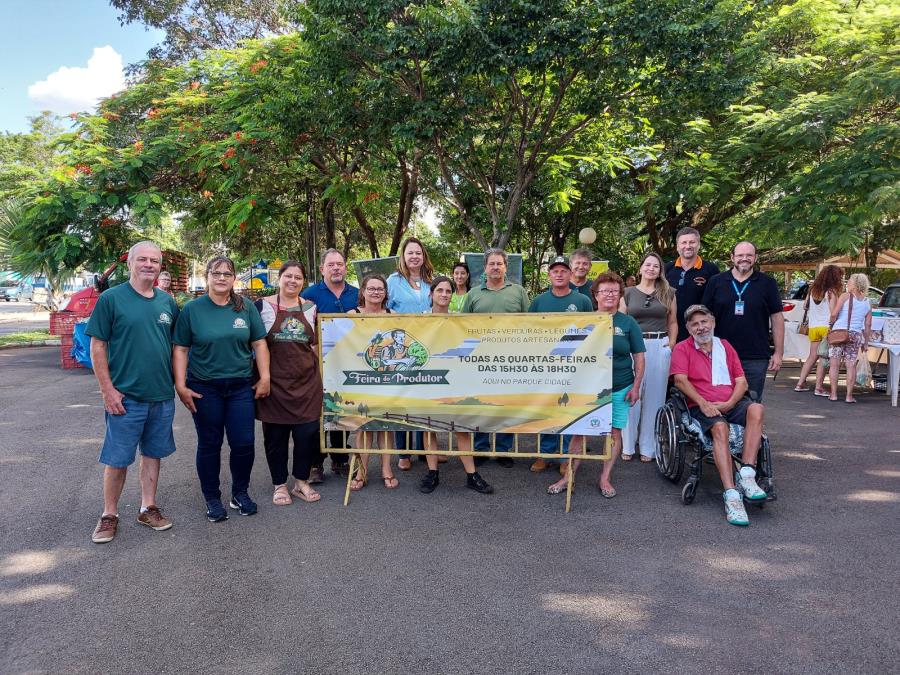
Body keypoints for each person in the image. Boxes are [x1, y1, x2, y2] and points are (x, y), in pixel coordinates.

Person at [87, 241, 179, 544]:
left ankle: (147, 507)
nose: (149, 265)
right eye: (143, 259)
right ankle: (109, 514)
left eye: (154, 260)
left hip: (161, 395)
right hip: (125, 396)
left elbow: (178, 348)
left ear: (160, 265)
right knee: (117, 458)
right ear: (130, 264)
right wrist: (107, 390)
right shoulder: (112, 299)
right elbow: (97, 346)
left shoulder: (167, 303)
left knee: (153, 454)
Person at [173, 256, 270, 522]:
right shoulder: (193, 310)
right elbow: (180, 348)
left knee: (244, 443)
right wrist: (180, 385)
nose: (222, 278)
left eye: (227, 274)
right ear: (208, 277)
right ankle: (212, 498)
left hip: (240, 387)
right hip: (205, 388)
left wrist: (265, 377)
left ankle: (240, 493)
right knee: (210, 444)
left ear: (234, 278)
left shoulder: (245, 307)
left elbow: (259, 344)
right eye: (216, 273)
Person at [547, 272, 645, 498]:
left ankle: (605, 477)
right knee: (580, 432)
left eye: (614, 291)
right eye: (604, 291)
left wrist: (636, 386)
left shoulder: (628, 322)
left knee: (614, 433)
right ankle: (567, 476)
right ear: (595, 295)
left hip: (621, 385)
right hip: (589, 388)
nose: (609, 295)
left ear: (620, 295)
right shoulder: (585, 321)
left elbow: (639, 356)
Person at [669, 304, 769, 526]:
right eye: (694, 323)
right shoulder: (683, 349)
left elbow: (741, 381)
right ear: (688, 327)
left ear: (712, 322)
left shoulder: (725, 346)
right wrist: (704, 404)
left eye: (704, 321)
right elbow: (680, 381)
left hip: (729, 401)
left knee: (756, 409)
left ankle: (747, 473)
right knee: (720, 427)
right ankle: (731, 494)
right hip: (700, 405)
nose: (700, 327)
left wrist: (729, 403)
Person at [254, 261, 324, 505]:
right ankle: (279, 484)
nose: (293, 281)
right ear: (279, 278)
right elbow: (254, 343)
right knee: (276, 438)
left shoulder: (311, 308)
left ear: (303, 282)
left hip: (307, 383)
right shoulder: (262, 306)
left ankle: (301, 482)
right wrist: (261, 378)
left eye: (298, 278)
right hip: (274, 383)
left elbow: (314, 344)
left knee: (307, 435)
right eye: (288, 276)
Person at [419, 276, 494, 495]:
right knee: (429, 426)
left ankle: (472, 475)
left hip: (455, 380)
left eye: (448, 291)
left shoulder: (460, 320)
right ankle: (432, 473)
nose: (444, 294)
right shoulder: (417, 319)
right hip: (428, 379)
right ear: (431, 293)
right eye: (440, 290)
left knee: (461, 427)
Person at [462, 248, 530, 467]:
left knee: (506, 404)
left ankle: (503, 449)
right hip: (480, 360)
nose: (495, 267)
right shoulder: (473, 294)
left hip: (510, 359)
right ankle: (480, 448)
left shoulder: (518, 292)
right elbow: (462, 326)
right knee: (481, 404)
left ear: (505, 267)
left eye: (499, 264)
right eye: (491, 264)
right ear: (485, 267)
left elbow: (529, 323)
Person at [527, 255, 592, 473]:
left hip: (572, 366)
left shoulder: (582, 301)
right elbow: (527, 332)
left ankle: (566, 457)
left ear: (570, 274)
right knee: (546, 408)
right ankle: (545, 454)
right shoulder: (538, 301)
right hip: (545, 366)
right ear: (549, 275)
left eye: (563, 271)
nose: (559, 274)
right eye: (555, 271)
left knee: (568, 410)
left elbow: (592, 331)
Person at [301, 248, 358, 478]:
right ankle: (315, 463)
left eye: (340, 264)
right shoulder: (309, 295)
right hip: (318, 364)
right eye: (331, 264)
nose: (336, 268)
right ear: (322, 268)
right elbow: (302, 328)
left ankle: (340, 458)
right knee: (317, 413)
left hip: (348, 364)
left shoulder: (356, 293)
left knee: (342, 409)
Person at [702, 241, 784, 399]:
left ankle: (752, 425)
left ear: (755, 258)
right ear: (732, 257)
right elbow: (705, 316)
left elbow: (777, 317)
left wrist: (778, 353)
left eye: (749, 255)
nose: (744, 258)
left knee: (751, 400)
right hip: (720, 353)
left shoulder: (767, 283)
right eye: (740, 255)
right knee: (720, 399)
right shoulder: (716, 282)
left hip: (755, 355)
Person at [620, 252, 677, 461]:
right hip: (632, 346)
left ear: (660, 270)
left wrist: (669, 346)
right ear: (641, 267)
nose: (651, 268)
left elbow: (673, 322)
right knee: (630, 394)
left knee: (654, 396)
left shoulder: (668, 293)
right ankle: (627, 445)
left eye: (656, 266)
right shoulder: (627, 293)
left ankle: (648, 448)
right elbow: (621, 320)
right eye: (648, 264)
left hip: (658, 344)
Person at [346, 274, 400, 490]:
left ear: (386, 293)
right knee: (364, 426)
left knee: (386, 425)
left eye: (380, 289)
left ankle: (387, 469)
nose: (376, 292)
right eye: (372, 288)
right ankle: (361, 471)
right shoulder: (351, 315)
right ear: (363, 291)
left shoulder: (393, 315)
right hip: (362, 377)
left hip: (387, 377)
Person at [387, 237, 434, 467]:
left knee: (424, 400)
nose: (414, 256)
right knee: (402, 400)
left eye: (418, 252)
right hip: (401, 348)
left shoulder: (430, 281)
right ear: (403, 257)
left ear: (423, 256)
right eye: (410, 253)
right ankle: (404, 453)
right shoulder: (393, 281)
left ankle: (424, 449)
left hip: (426, 348)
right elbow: (385, 309)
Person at [794, 265, 843, 395]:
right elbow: (833, 313)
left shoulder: (812, 290)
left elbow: (805, 306)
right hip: (826, 328)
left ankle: (800, 383)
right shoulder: (831, 292)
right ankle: (819, 387)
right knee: (823, 357)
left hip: (813, 327)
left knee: (811, 356)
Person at [665, 227, 720, 341]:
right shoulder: (667, 269)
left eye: (692, 242)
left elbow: (716, 302)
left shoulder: (711, 270)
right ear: (677, 246)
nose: (688, 246)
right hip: (670, 331)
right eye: (684, 242)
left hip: (700, 332)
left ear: (698, 245)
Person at [828, 273, 873, 403]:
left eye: (850, 281)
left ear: (855, 285)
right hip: (855, 335)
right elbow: (868, 324)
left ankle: (834, 394)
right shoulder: (867, 302)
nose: (848, 283)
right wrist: (866, 343)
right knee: (851, 365)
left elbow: (834, 314)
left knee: (834, 364)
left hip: (839, 332)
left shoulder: (845, 296)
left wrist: (831, 325)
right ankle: (849, 396)